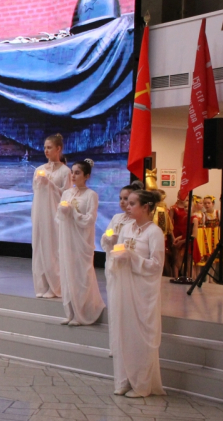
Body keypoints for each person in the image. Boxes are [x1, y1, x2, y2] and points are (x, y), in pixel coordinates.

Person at [110, 189, 167, 398]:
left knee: (141, 337)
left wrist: (132, 257)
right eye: (127, 202)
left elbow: (157, 265)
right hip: (126, 287)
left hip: (144, 292)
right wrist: (116, 255)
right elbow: (118, 251)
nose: (127, 206)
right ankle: (125, 379)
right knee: (125, 333)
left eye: (133, 203)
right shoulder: (126, 228)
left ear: (146, 207)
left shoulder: (154, 232)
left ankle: (142, 385)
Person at [56, 159, 105, 326]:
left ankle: (83, 312)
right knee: (68, 273)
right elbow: (59, 217)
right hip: (68, 239)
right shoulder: (67, 193)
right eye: (72, 172)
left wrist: (73, 212)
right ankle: (70, 311)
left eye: (77, 173)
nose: (73, 175)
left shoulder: (91, 195)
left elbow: (90, 219)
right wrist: (62, 211)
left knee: (81, 275)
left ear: (87, 176)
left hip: (82, 241)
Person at [100, 181, 142, 354]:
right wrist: (109, 239)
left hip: (128, 269)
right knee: (114, 305)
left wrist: (120, 242)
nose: (123, 203)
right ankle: (115, 344)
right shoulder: (117, 218)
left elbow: (136, 247)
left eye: (127, 200)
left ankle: (128, 344)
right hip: (113, 265)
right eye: (121, 199)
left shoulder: (137, 222)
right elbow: (106, 236)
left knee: (127, 306)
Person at [31, 133, 72, 298]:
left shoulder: (65, 171)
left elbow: (66, 195)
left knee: (53, 249)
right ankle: (42, 284)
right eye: (45, 148)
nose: (46, 151)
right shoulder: (39, 170)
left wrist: (50, 184)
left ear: (58, 149)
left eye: (49, 147)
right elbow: (36, 191)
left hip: (54, 214)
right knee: (39, 248)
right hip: (40, 213)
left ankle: (55, 286)